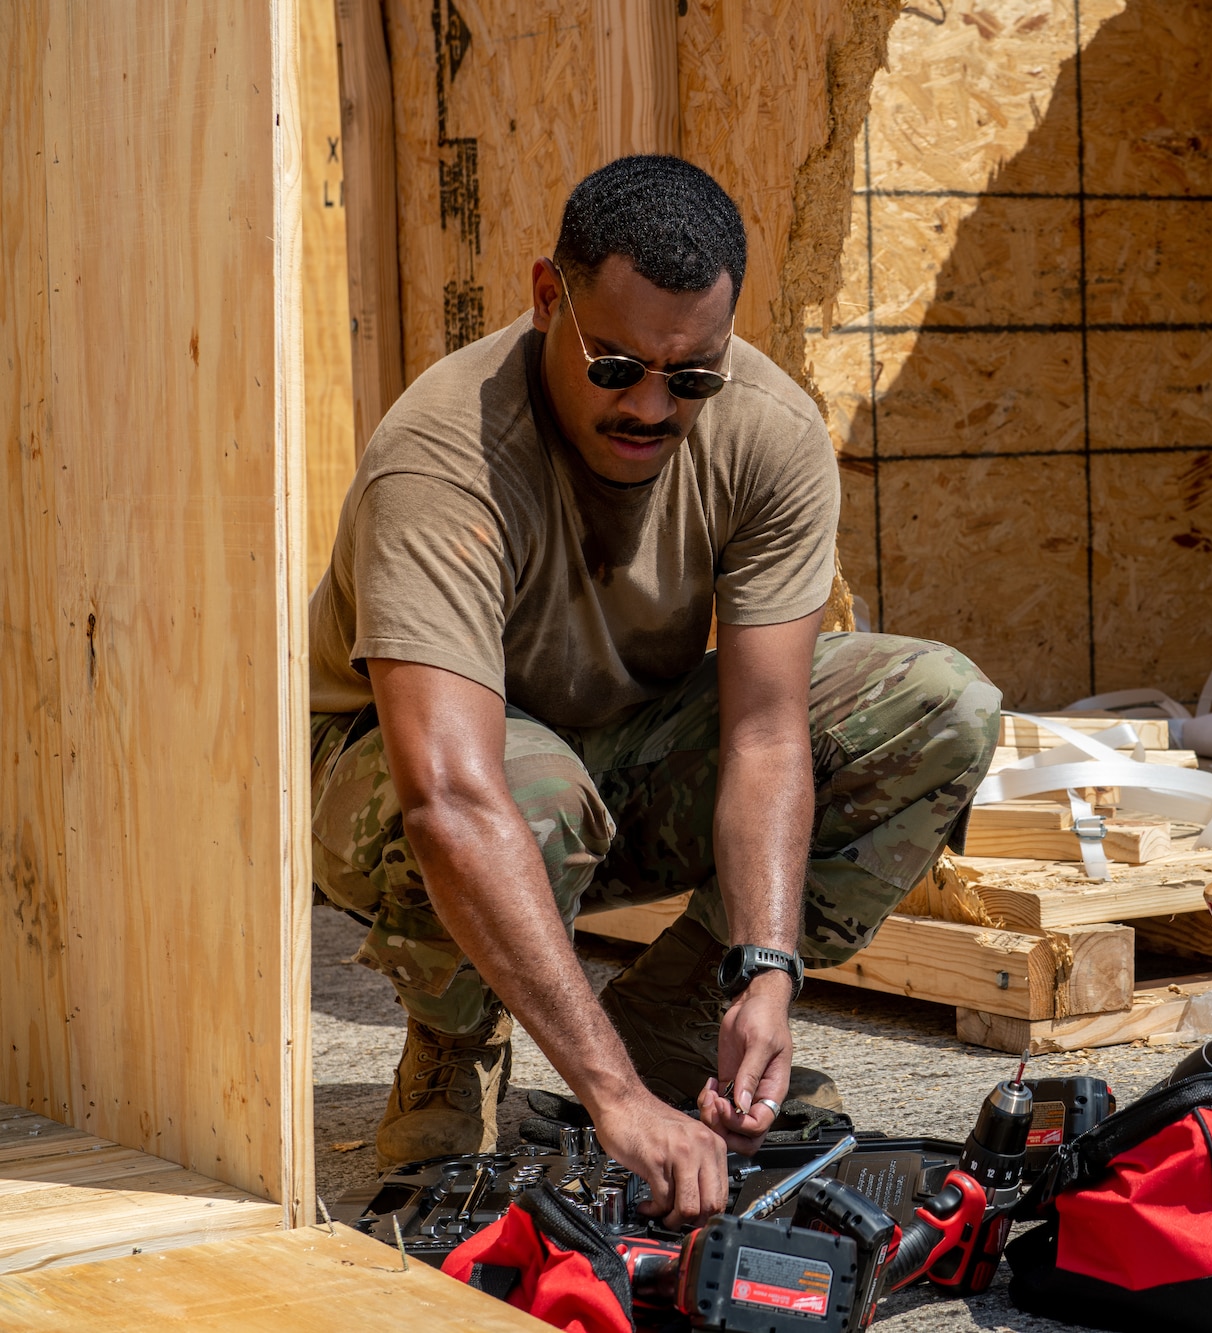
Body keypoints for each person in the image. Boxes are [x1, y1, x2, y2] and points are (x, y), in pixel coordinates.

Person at [306, 155, 999, 1222]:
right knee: (522, 789)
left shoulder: (767, 433)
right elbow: (448, 793)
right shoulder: (442, 460)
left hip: (612, 759)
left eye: (691, 376)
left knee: (937, 703)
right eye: (618, 364)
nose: (650, 405)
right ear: (548, 300)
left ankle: (672, 1017)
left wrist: (763, 971)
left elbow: (767, 737)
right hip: (397, 787)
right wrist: (614, 1102)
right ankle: (455, 1044)